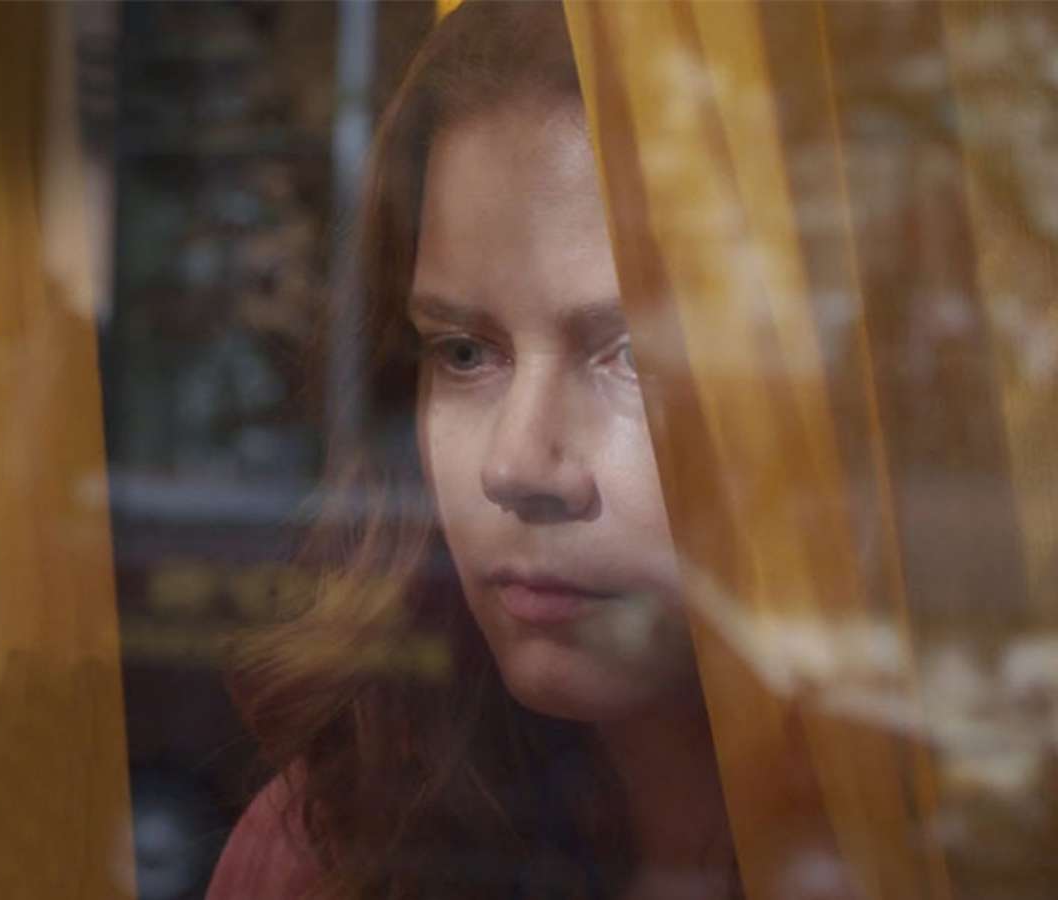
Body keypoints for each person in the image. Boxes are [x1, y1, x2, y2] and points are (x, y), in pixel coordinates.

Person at [209, 4, 739, 898]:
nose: (515, 466)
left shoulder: (949, 852)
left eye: (637, 355)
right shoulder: (330, 849)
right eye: (462, 353)